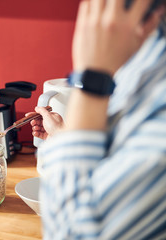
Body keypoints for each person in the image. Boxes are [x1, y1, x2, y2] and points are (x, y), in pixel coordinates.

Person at [29, 0, 166, 239]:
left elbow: (73, 233)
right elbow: (114, 162)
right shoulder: (145, 56)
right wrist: (64, 138)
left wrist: (92, 78)